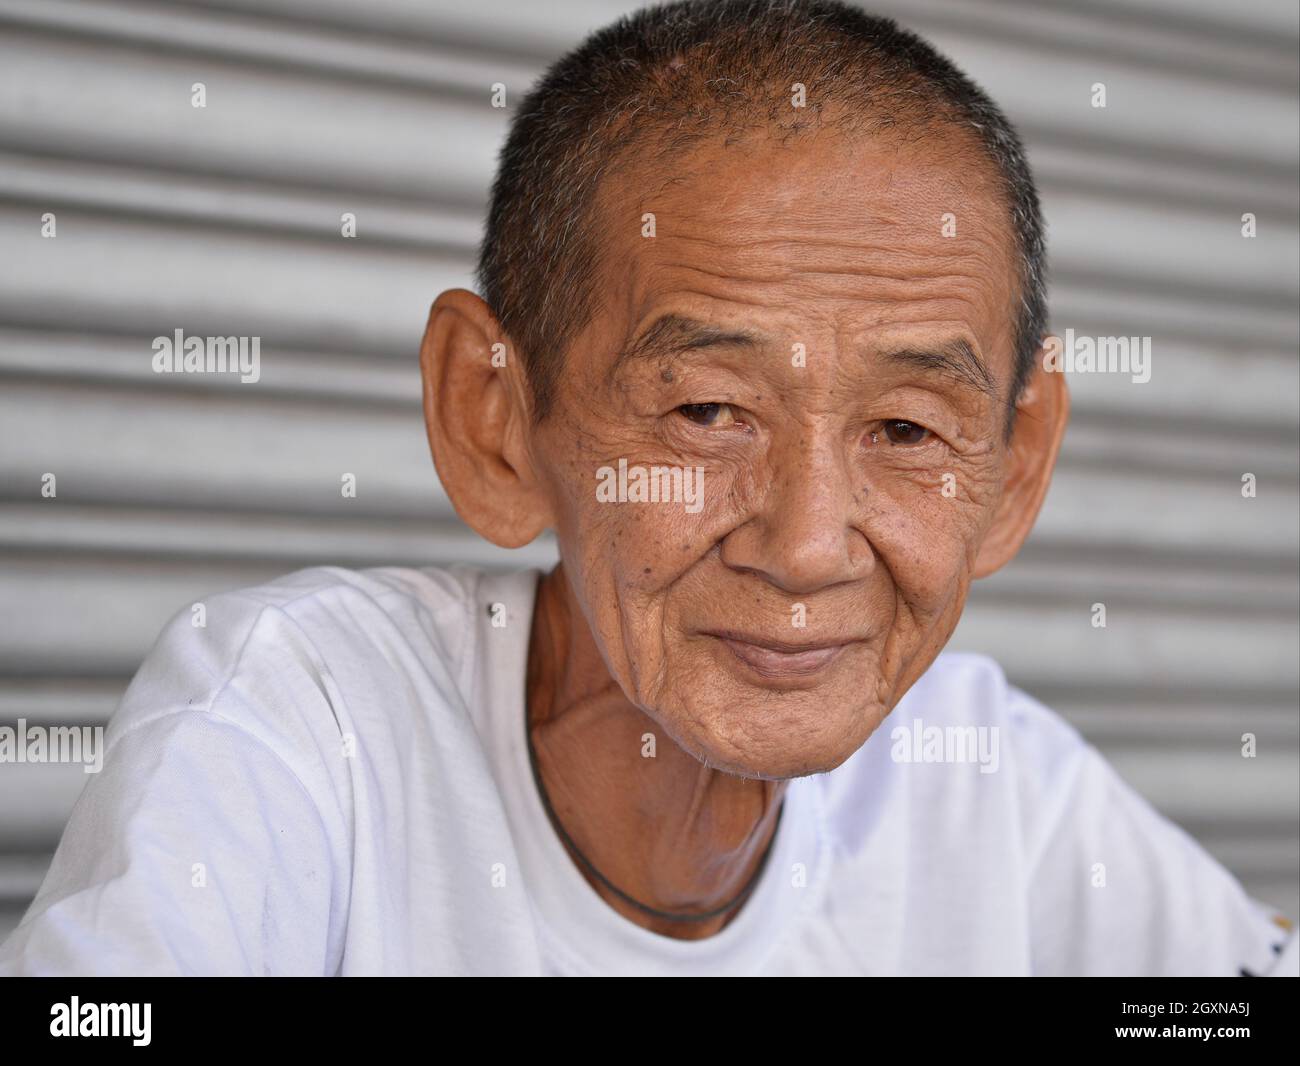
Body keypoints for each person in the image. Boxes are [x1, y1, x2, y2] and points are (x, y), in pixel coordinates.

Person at [2, 0, 1294, 976]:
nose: (804, 546)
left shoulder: (988, 784)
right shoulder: (300, 725)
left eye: (906, 426)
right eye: (709, 412)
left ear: (1012, 471)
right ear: (496, 422)